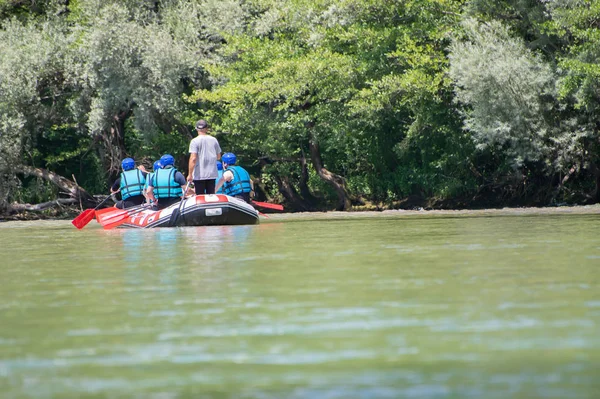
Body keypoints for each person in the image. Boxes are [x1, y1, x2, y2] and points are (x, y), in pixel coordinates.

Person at [187, 119, 221, 195]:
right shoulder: (214, 140)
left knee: (200, 197)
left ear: (196, 129)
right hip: (212, 174)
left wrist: (190, 174)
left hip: (199, 175)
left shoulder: (194, 141)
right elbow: (218, 157)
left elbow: (193, 158)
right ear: (207, 129)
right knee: (211, 197)